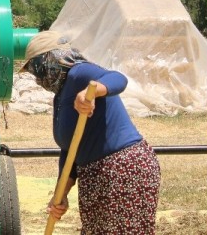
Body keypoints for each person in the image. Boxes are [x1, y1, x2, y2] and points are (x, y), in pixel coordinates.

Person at [20, 30, 161, 234]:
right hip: (95, 175)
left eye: (35, 69)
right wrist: (61, 194)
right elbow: (70, 150)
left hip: (122, 169)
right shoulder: (60, 96)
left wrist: (92, 91)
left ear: (49, 60)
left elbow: (118, 78)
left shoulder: (80, 73)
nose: (37, 78)